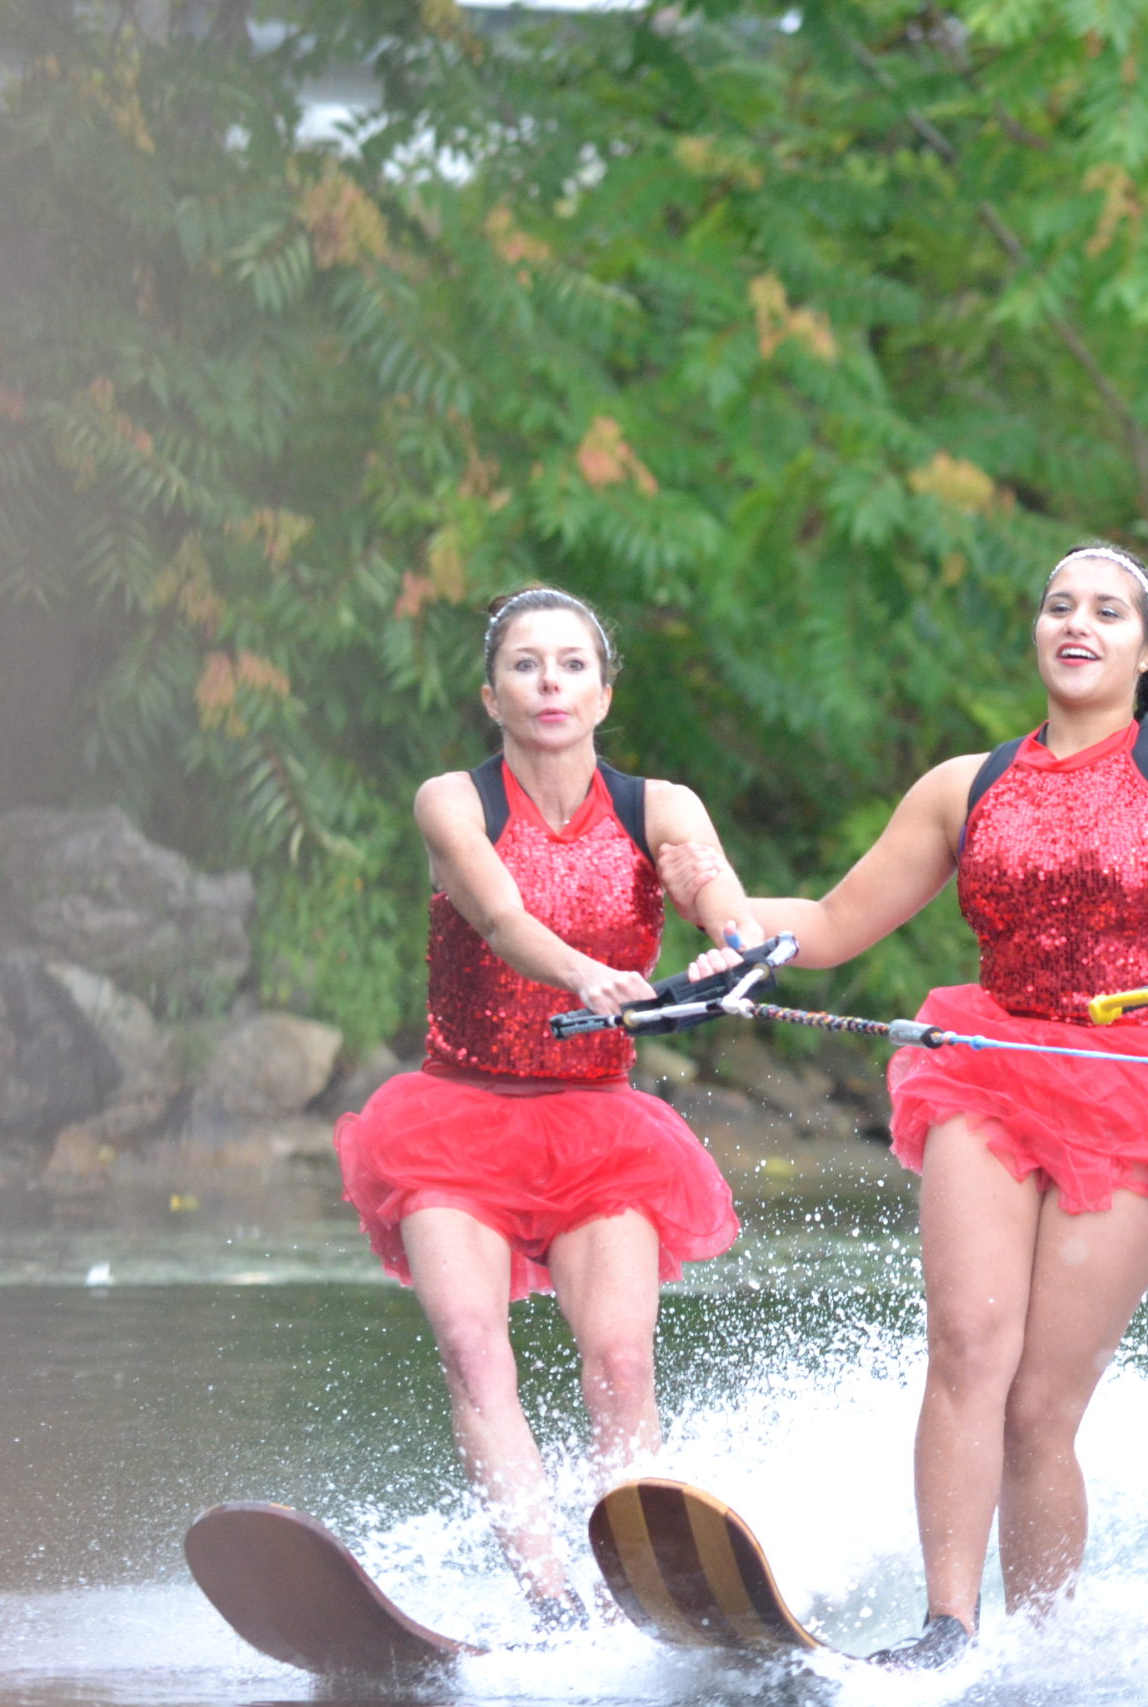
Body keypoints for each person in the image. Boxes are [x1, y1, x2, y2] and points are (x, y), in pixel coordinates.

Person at [662, 545, 1148, 1665]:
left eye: (1106, 611)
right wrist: (728, 921)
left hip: (1138, 1087)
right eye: (1057, 605)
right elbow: (839, 920)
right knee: (965, 1346)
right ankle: (945, 1628)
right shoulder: (966, 784)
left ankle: (1039, 1651)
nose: (1076, 623)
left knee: (1041, 1406)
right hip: (985, 1066)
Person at [334, 587, 764, 1623]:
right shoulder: (454, 800)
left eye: (571, 665)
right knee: (474, 1346)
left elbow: (711, 884)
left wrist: (732, 940)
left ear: (603, 691)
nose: (549, 684)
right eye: (526, 666)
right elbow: (497, 912)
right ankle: (549, 1600)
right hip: (453, 1125)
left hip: (597, 1130)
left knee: (619, 1359)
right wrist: (586, 973)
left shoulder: (661, 806)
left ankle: (646, 1587)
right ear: (492, 695)